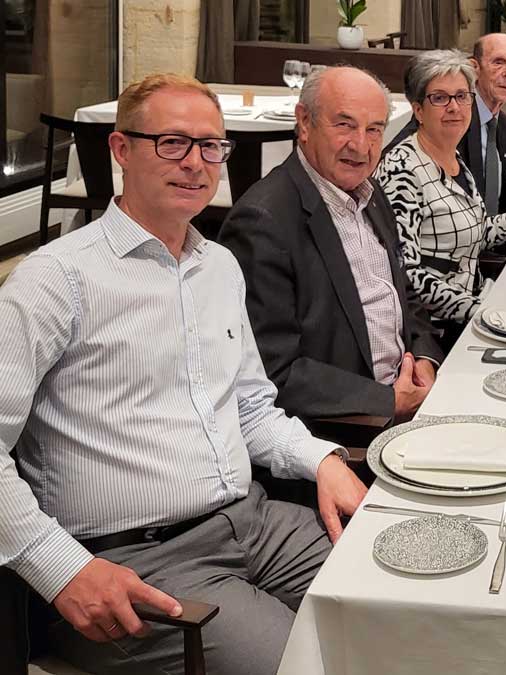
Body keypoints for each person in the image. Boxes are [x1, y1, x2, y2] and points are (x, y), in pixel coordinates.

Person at [0, 73, 367, 675]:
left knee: (396, 594)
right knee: (306, 666)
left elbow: (249, 406)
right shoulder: (56, 280)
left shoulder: (218, 265)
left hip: (253, 522)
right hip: (140, 558)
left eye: (211, 146)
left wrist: (322, 460)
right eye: (172, 143)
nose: (196, 163)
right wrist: (60, 569)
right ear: (121, 150)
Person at [220, 65, 444, 436]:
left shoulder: (369, 194)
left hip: (409, 401)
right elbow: (274, 372)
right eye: (344, 125)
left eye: (374, 129)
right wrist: (387, 401)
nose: (361, 145)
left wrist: (424, 357)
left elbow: (400, 296)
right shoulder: (263, 222)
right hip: (347, 430)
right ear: (304, 123)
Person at [376, 50, 506, 341]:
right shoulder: (403, 170)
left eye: (462, 96)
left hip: (476, 303)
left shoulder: (453, 157)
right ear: (418, 110)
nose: (454, 107)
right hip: (438, 329)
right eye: (440, 98)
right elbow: (406, 274)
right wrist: (479, 311)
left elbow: (478, 232)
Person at [390, 34, 506, 217]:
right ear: (474, 68)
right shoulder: (450, 120)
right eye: (498, 62)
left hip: (490, 232)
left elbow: (501, 183)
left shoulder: (505, 127)